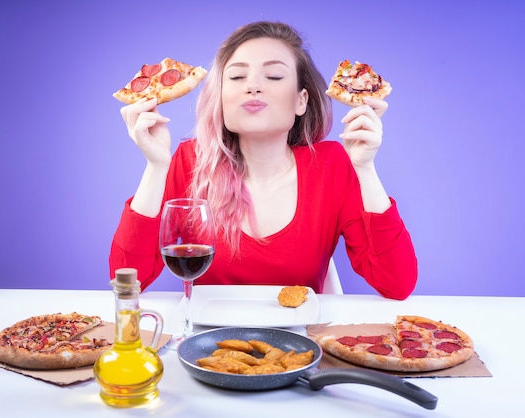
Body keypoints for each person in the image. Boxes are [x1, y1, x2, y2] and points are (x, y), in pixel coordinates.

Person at [109, 21, 417, 299]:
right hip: (208, 349)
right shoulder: (190, 160)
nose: (252, 85)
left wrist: (364, 168)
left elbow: (396, 283)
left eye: (273, 75)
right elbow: (126, 280)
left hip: (301, 349)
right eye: (237, 76)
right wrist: (156, 167)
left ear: (301, 101)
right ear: (221, 97)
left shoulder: (332, 164)